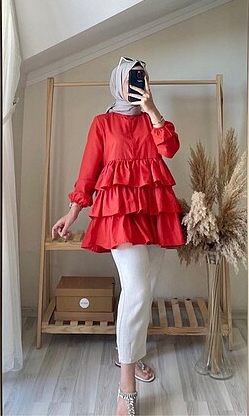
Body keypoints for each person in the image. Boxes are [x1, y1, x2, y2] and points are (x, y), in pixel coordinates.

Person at [51, 57, 185, 416]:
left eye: (141, 77)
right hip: (119, 214)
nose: (137, 83)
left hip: (154, 211)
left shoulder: (150, 119)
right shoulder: (103, 123)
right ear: (118, 82)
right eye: (131, 78)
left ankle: (130, 354)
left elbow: (170, 149)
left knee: (144, 290)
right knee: (137, 291)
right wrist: (73, 211)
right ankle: (126, 387)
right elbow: (89, 171)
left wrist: (152, 110)